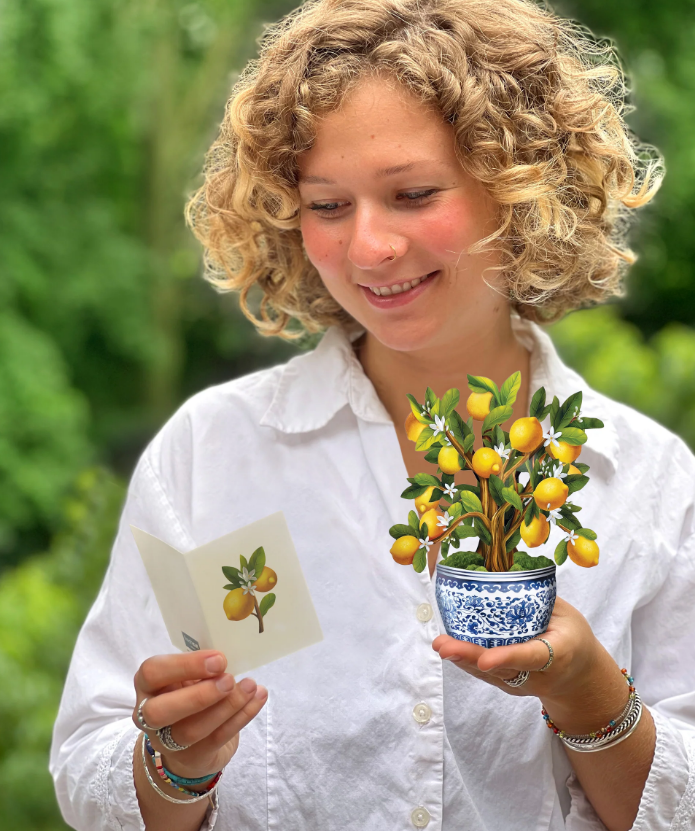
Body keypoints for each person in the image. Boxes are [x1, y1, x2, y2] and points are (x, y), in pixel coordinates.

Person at [50, 0, 695, 829]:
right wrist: (174, 765)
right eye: (327, 206)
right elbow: (89, 764)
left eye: (413, 193)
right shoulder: (211, 453)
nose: (368, 247)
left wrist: (588, 695)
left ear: (524, 186)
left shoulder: (649, 481)